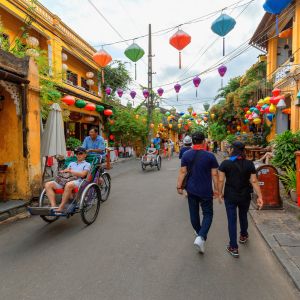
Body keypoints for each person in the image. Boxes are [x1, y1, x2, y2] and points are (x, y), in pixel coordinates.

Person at [218, 141, 263, 258]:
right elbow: (253, 181)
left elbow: (221, 180)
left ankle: (233, 247)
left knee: (232, 220)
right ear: (243, 150)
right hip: (245, 195)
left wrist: (219, 193)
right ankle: (243, 235)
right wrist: (260, 196)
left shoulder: (225, 164)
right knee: (243, 215)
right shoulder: (249, 164)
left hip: (230, 196)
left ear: (233, 150)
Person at [177, 132, 219, 254]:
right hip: (206, 190)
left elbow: (182, 172)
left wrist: (179, 187)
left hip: (191, 190)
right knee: (208, 214)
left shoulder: (186, 155)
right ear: (203, 141)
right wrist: (217, 190)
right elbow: (214, 174)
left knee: (193, 213)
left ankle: (199, 234)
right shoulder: (210, 156)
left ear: (193, 141)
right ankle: (201, 237)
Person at [44, 147, 91, 212]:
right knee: (48, 184)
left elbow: (83, 174)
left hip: (78, 181)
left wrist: (71, 171)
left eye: (80, 153)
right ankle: (53, 206)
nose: (78, 155)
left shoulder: (87, 164)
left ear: (85, 155)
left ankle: (61, 206)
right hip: (66, 180)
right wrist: (63, 171)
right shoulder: (71, 163)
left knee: (69, 185)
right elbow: (67, 173)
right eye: (77, 154)